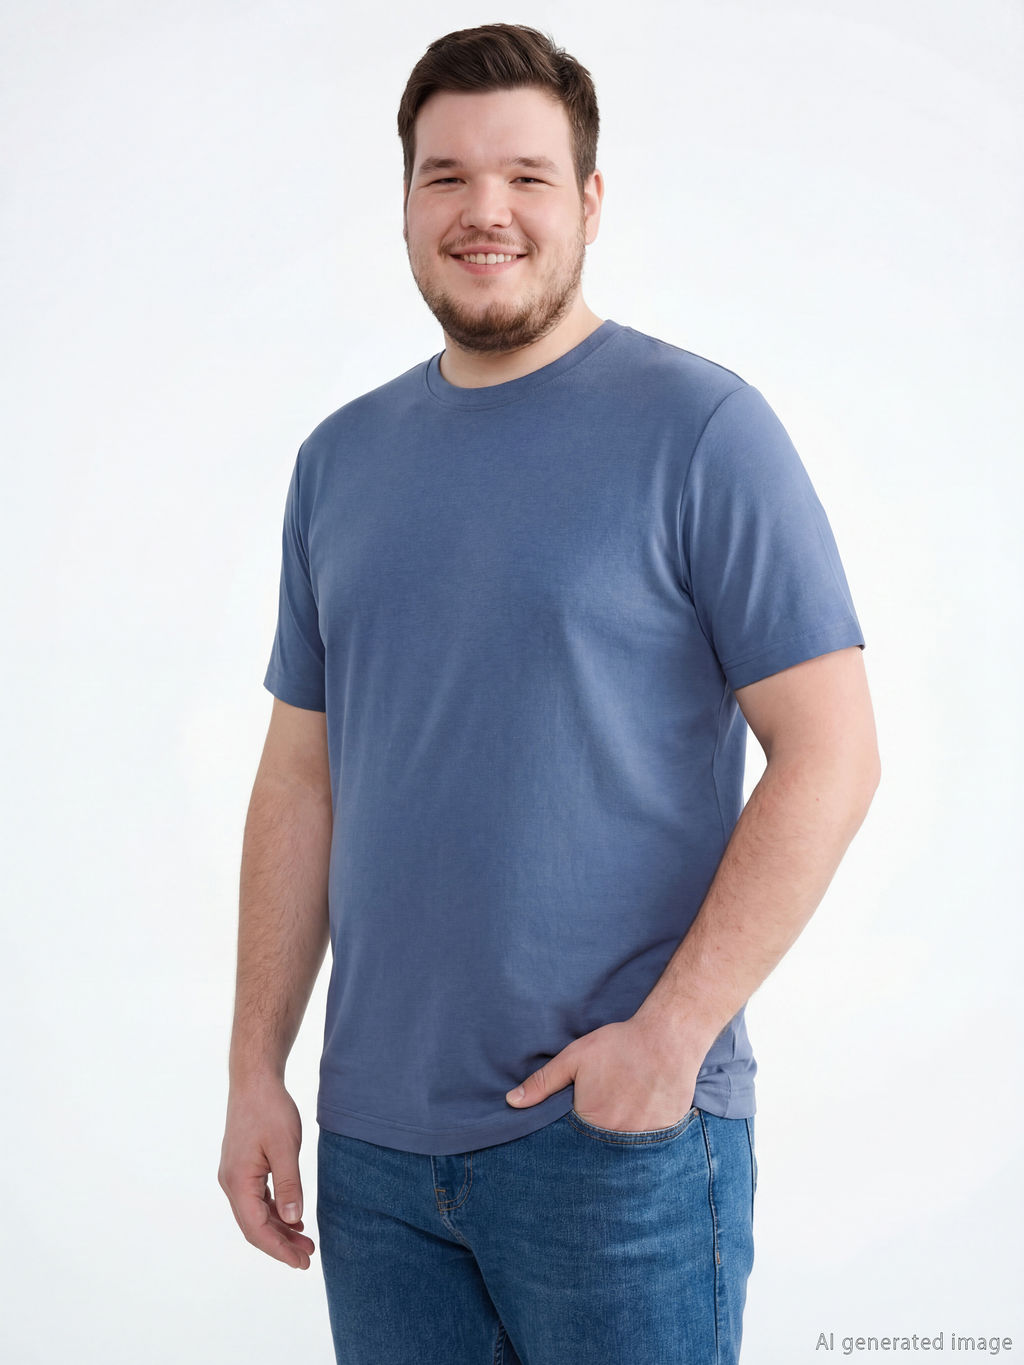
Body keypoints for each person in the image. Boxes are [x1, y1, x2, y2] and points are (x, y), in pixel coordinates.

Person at [218, 22, 881, 1365]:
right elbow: (301, 778)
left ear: (588, 199)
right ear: (407, 202)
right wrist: (253, 1070)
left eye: (526, 175)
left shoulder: (703, 431)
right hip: (376, 1160)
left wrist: (671, 1039)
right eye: (447, 176)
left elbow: (834, 753)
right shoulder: (338, 463)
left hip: (613, 1145)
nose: (487, 210)